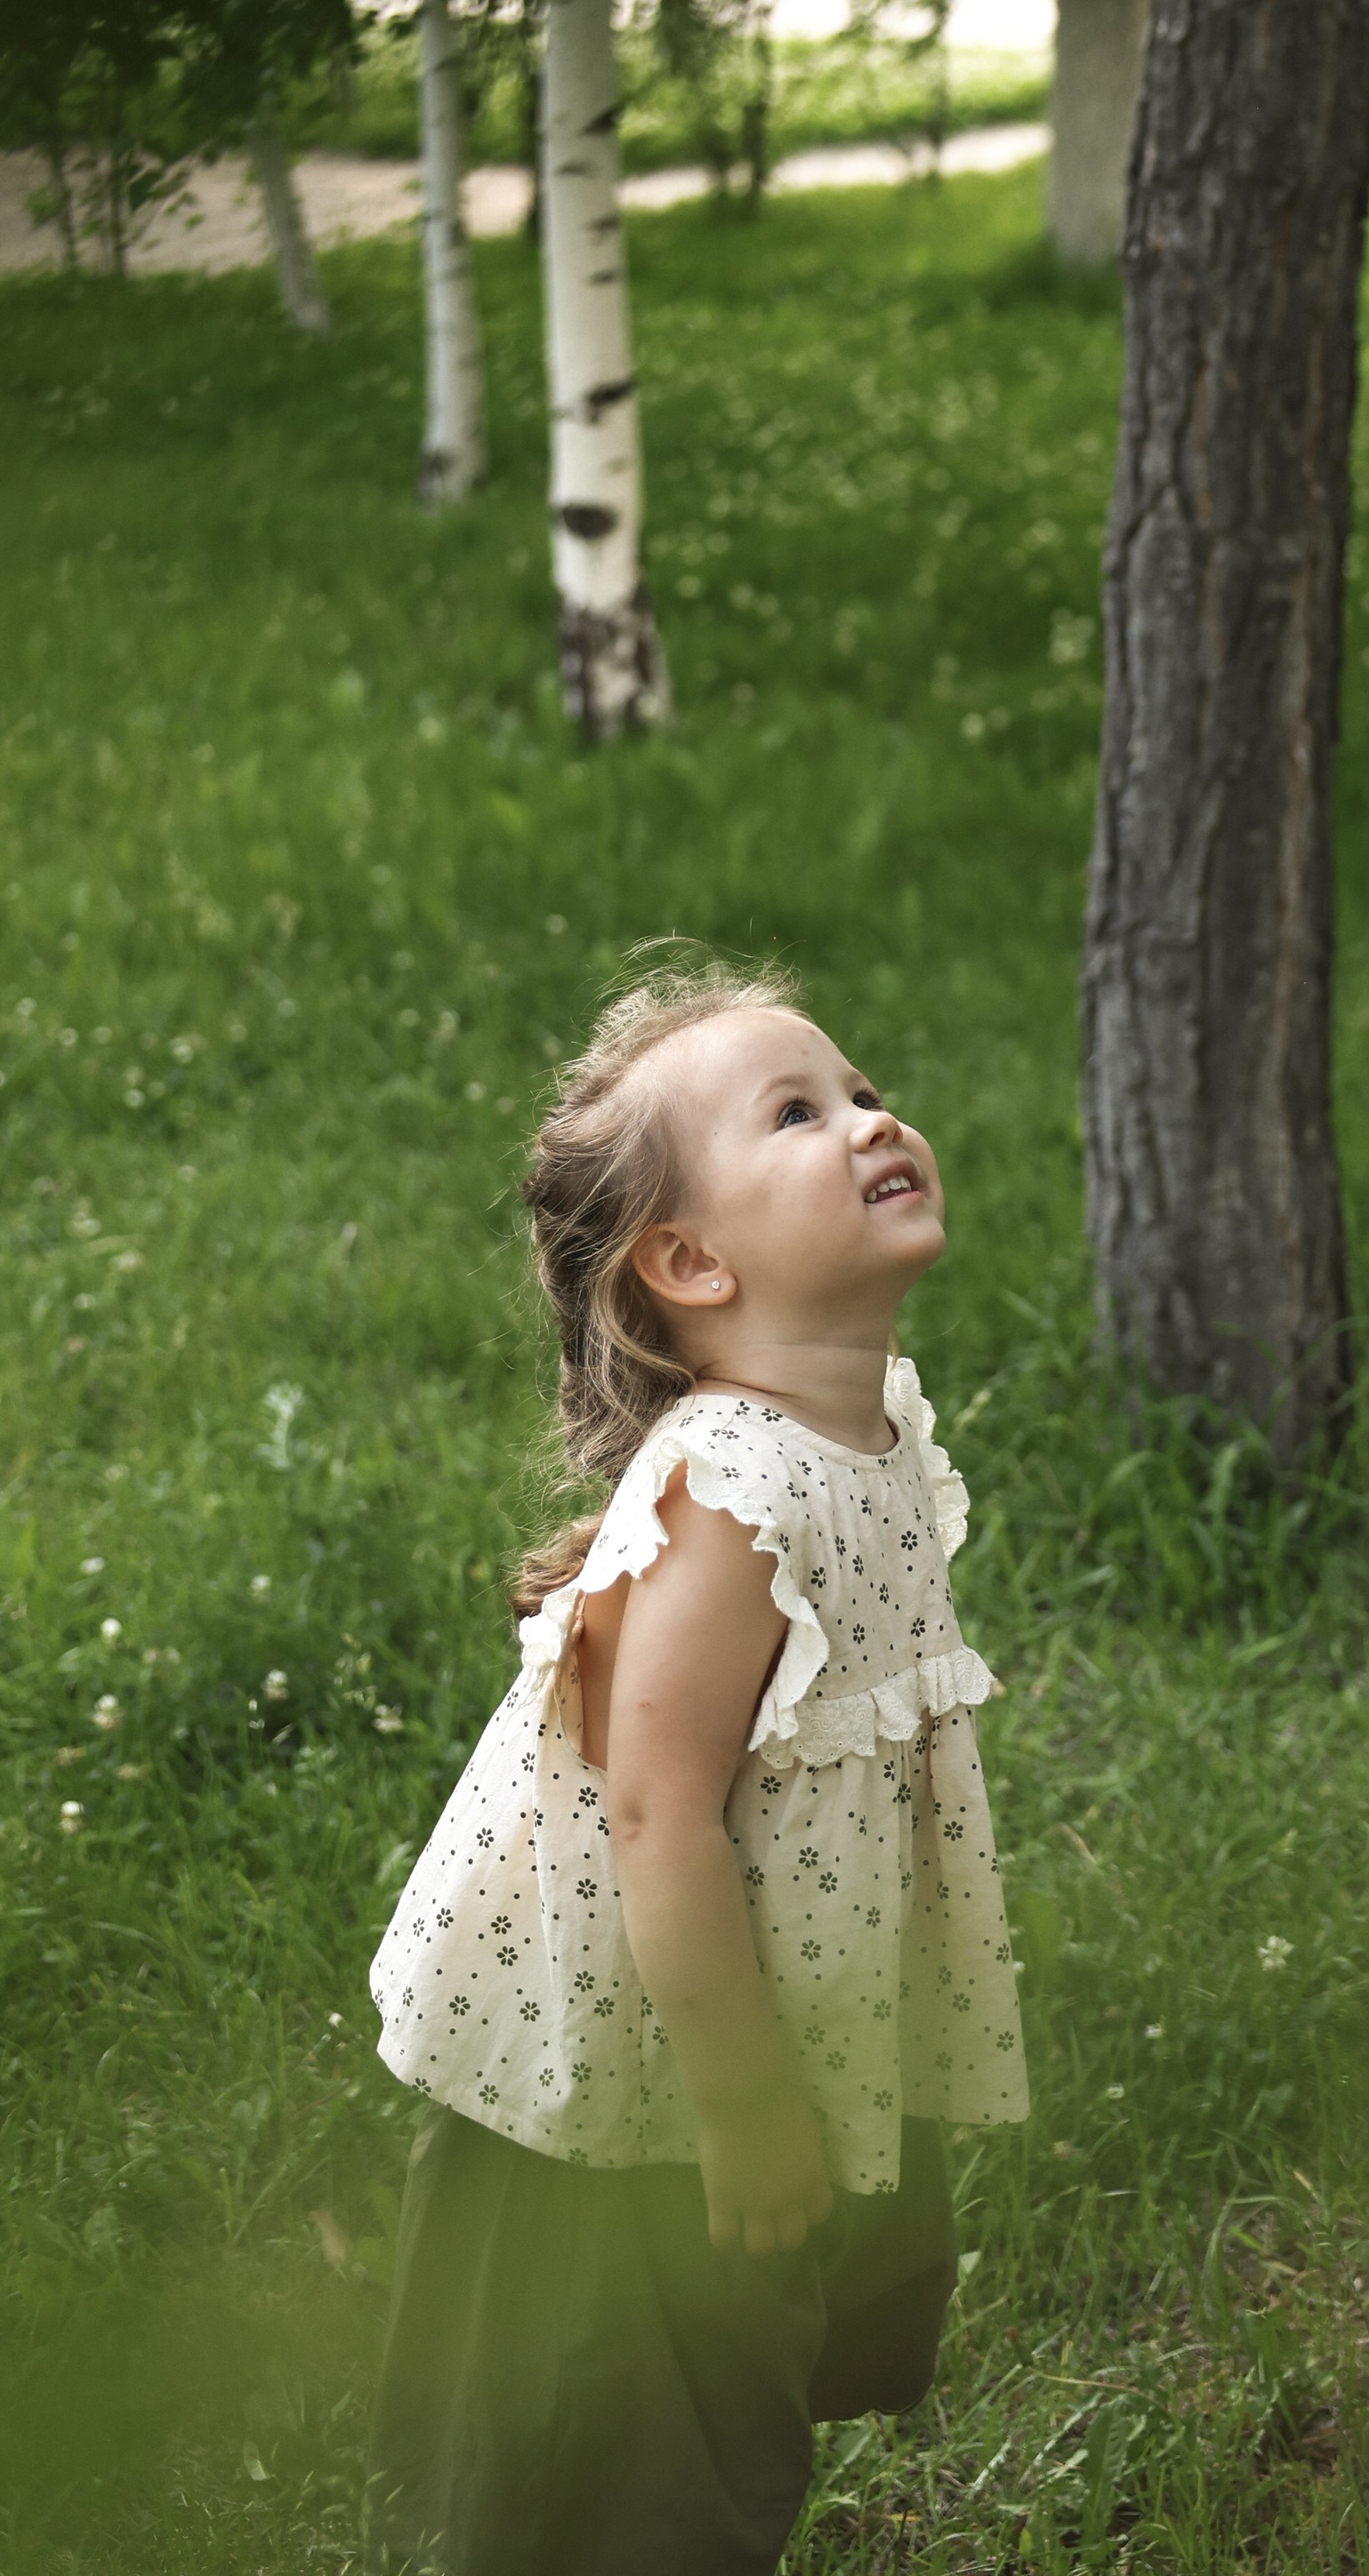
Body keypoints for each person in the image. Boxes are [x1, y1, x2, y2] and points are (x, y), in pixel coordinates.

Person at [363, 960, 1027, 2575]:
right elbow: (655, 1815)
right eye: (799, 1112)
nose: (871, 1119)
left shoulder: (865, 1434)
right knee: (616, 2441)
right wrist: (741, 2104)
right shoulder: (734, 1495)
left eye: (860, 1087)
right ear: (691, 1260)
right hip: (639, 2057)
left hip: (759, 1993)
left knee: (735, 2385)